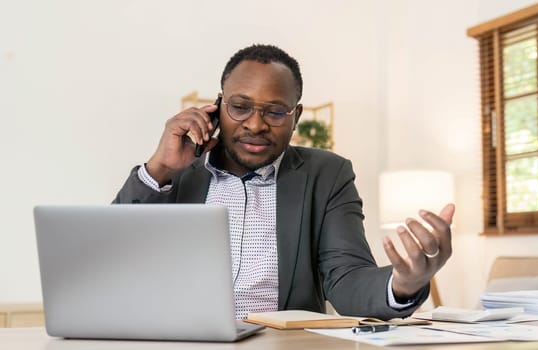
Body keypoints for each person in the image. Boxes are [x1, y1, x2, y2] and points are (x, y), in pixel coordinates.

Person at [114, 44, 454, 320]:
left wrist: (403, 284)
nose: (256, 124)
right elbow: (113, 262)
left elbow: (347, 278)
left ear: (296, 117)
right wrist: (159, 168)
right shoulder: (179, 173)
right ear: (217, 107)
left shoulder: (327, 174)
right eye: (240, 107)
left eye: (275, 112)